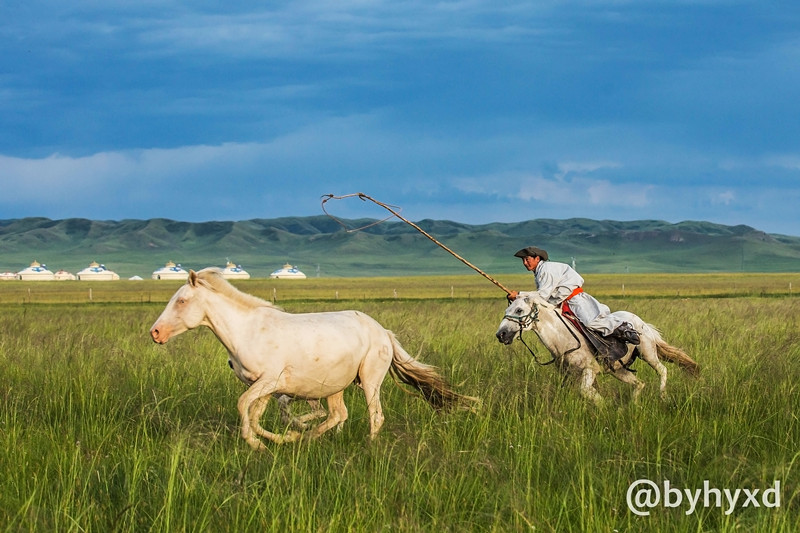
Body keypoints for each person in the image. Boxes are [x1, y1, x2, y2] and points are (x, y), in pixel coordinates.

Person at [508, 246, 640, 361]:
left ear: (537, 258)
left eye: (527, 259)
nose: (525, 263)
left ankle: (624, 329)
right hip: (562, 302)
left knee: (591, 322)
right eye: (523, 260)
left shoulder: (546, 270)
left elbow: (543, 295)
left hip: (575, 300)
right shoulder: (539, 272)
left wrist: (519, 294)